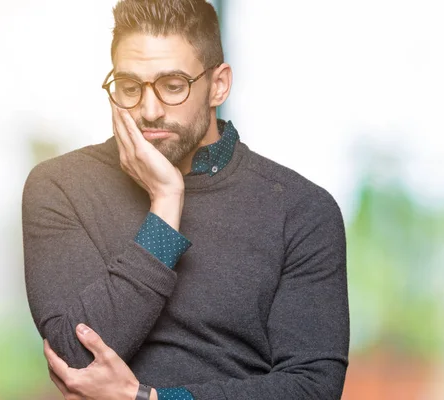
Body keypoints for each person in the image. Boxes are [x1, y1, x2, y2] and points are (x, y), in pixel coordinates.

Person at [22, 1, 349, 399]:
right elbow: (75, 358)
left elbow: (313, 388)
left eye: (172, 86)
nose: (149, 109)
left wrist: (149, 399)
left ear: (219, 86)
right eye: (129, 87)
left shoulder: (301, 210)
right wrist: (165, 203)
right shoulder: (61, 186)